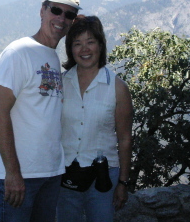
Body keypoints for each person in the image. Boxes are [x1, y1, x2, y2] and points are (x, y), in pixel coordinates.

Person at [0, 0, 82, 221]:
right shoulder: (18, 53)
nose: (61, 18)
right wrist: (12, 172)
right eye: (56, 10)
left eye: (69, 15)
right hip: (21, 175)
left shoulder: (52, 56)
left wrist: (83, 23)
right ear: (42, 10)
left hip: (51, 173)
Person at [57, 15, 133, 222]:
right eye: (77, 44)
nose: (84, 49)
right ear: (70, 49)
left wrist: (123, 183)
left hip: (103, 178)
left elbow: (125, 139)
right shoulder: (60, 84)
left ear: (101, 45)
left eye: (90, 42)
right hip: (64, 176)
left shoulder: (117, 88)